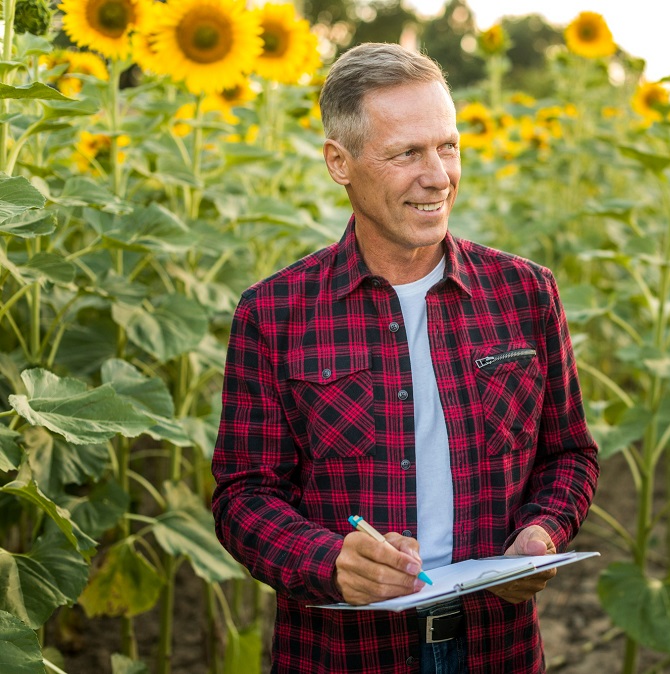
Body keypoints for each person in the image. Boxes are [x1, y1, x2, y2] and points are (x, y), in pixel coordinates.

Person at [211, 42, 599, 674]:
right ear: (340, 162)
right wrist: (328, 561)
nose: (438, 175)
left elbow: (569, 456)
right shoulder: (275, 313)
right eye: (406, 153)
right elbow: (243, 495)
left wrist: (543, 533)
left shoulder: (524, 293)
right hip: (343, 656)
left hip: (495, 647)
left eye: (447, 146)